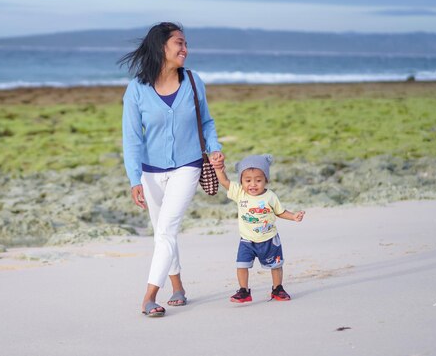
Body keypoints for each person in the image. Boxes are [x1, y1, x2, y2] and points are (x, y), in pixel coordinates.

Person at [119, 22, 224, 317]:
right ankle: (178, 287)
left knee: (166, 229)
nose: (185, 49)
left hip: (187, 166)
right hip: (150, 172)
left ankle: (149, 296)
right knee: (163, 233)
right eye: (179, 43)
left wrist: (214, 147)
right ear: (161, 47)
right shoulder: (137, 90)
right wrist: (134, 179)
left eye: (186, 43)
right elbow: (132, 138)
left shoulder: (193, 81)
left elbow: (207, 122)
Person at [210, 154, 305, 302]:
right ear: (241, 180)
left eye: (258, 180)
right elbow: (224, 181)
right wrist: (218, 168)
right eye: (247, 180)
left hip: (269, 239)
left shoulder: (270, 196)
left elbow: (280, 212)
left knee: (276, 265)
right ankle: (244, 290)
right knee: (241, 265)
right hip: (247, 240)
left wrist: (293, 216)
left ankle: (277, 288)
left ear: (266, 180)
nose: (253, 184)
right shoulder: (240, 193)